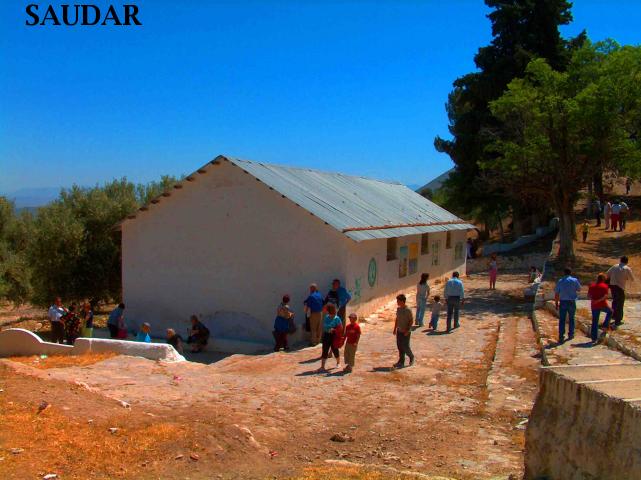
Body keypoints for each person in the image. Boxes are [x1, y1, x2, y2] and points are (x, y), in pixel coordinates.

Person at [554, 268, 582, 343]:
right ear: (570, 273)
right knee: (571, 318)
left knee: (562, 319)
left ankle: (561, 336)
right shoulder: (574, 280)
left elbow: (556, 293)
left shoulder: (560, 281)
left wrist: (556, 303)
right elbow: (579, 289)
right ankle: (571, 334)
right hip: (572, 301)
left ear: (564, 273)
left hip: (563, 302)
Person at [607, 256, 635, 328]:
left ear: (620, 260)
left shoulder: (615, 266)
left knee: (615, 301)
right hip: (620, 287)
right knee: (620, 303)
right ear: (627, 261)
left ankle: (613, 315)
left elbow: (608, 273)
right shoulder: (627, 268)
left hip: (612, 286)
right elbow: (632, 279)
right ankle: (618, 320)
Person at [587, 273, 612, 343]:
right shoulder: (605, 286)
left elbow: (588, 296)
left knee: (595, 321)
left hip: (594, 305)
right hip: (602, 304)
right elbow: (605, 296)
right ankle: (605, 325)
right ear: (603, 279)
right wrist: (598, 300)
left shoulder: (592, 286)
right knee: (610, 311)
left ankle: (593, 338)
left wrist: (594, 301)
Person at [393, 294, 414, 368]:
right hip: (399, 330)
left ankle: (411, 357)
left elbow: (411, 321)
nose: (397, 302)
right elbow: (397, 319)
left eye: (398, 301)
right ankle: (401, 361)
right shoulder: (398, 309)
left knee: (405, 346)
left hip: (406, 332)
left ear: (402, 301)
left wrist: (407, 330)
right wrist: (395, 329)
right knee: (399, 346)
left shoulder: (408, 310)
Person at [320, 303, 342, 371]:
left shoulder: (337, 318)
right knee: (325, 350)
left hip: (334, 336)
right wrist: (328, 328)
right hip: (327, 335)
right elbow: (324, 326)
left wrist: (334, 329)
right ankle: (322, 366)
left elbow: (340, 328)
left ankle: (338, 363)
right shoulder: (327, 317)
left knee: (335, 349)